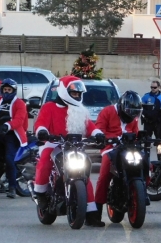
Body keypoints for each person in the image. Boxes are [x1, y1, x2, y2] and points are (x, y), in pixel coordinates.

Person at [33, 76, 100, 222]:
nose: (77, 96)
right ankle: (41, 193)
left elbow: (89, 126)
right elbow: (41, 123)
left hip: (75, 146)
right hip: (53, 143)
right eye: (74, 93)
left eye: (78, 94)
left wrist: (98, 134)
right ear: (64, 91)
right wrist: (43, 132)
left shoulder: (80, 110)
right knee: (45, 159)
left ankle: (91, 212)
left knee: (84, 173)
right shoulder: (49, 107)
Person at [91, 91, 143, 226]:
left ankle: (141, 191)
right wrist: (107, 138)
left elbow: (135, 133)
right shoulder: (107, 112)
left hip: (129, 148)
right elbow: (99, 129)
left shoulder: (133, 118)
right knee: (104, 175)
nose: (131, 116)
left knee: (145, 162)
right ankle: (96, 212)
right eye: (129, 112)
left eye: (134, 113)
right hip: (110, 148)